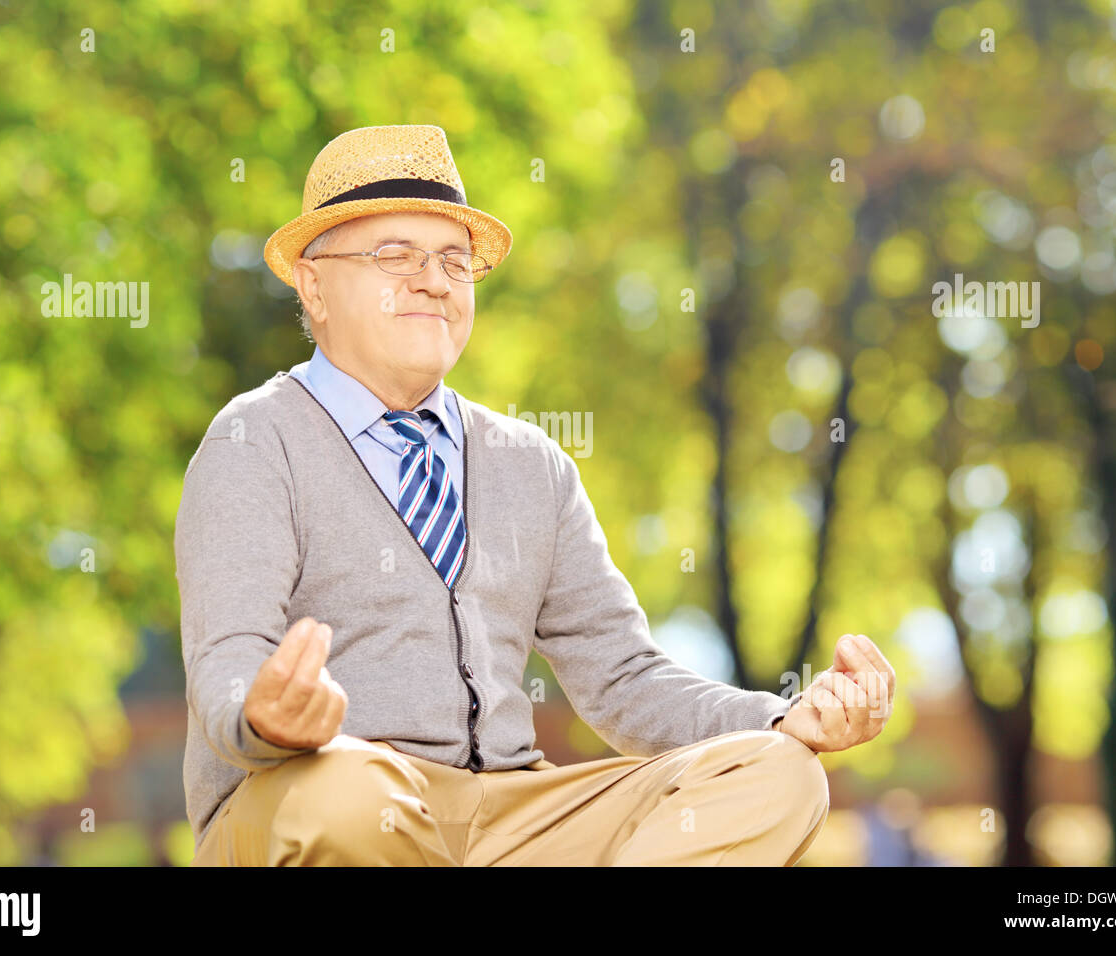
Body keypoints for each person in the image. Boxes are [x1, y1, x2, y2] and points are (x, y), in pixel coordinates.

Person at [176, 124, 896, 866]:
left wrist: (784, 719)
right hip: (309, 798)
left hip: (511, 820)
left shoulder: (531, 466)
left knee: (780, 777)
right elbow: (228, 657)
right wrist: (262, 716)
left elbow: (625, 679)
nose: (434, 280)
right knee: (351, 797)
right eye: (396, 255)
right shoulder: (254, 442)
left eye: (455, 262)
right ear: (314, 283)